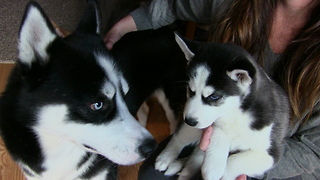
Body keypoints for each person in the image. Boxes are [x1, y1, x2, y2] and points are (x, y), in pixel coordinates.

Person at [104, 0, 320, 179]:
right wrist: (119, 30)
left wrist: (237, 164)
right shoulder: (235, 4)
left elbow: (313, 150)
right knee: (152, 175)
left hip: (275, 160)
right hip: (210, 127)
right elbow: (173, 4)